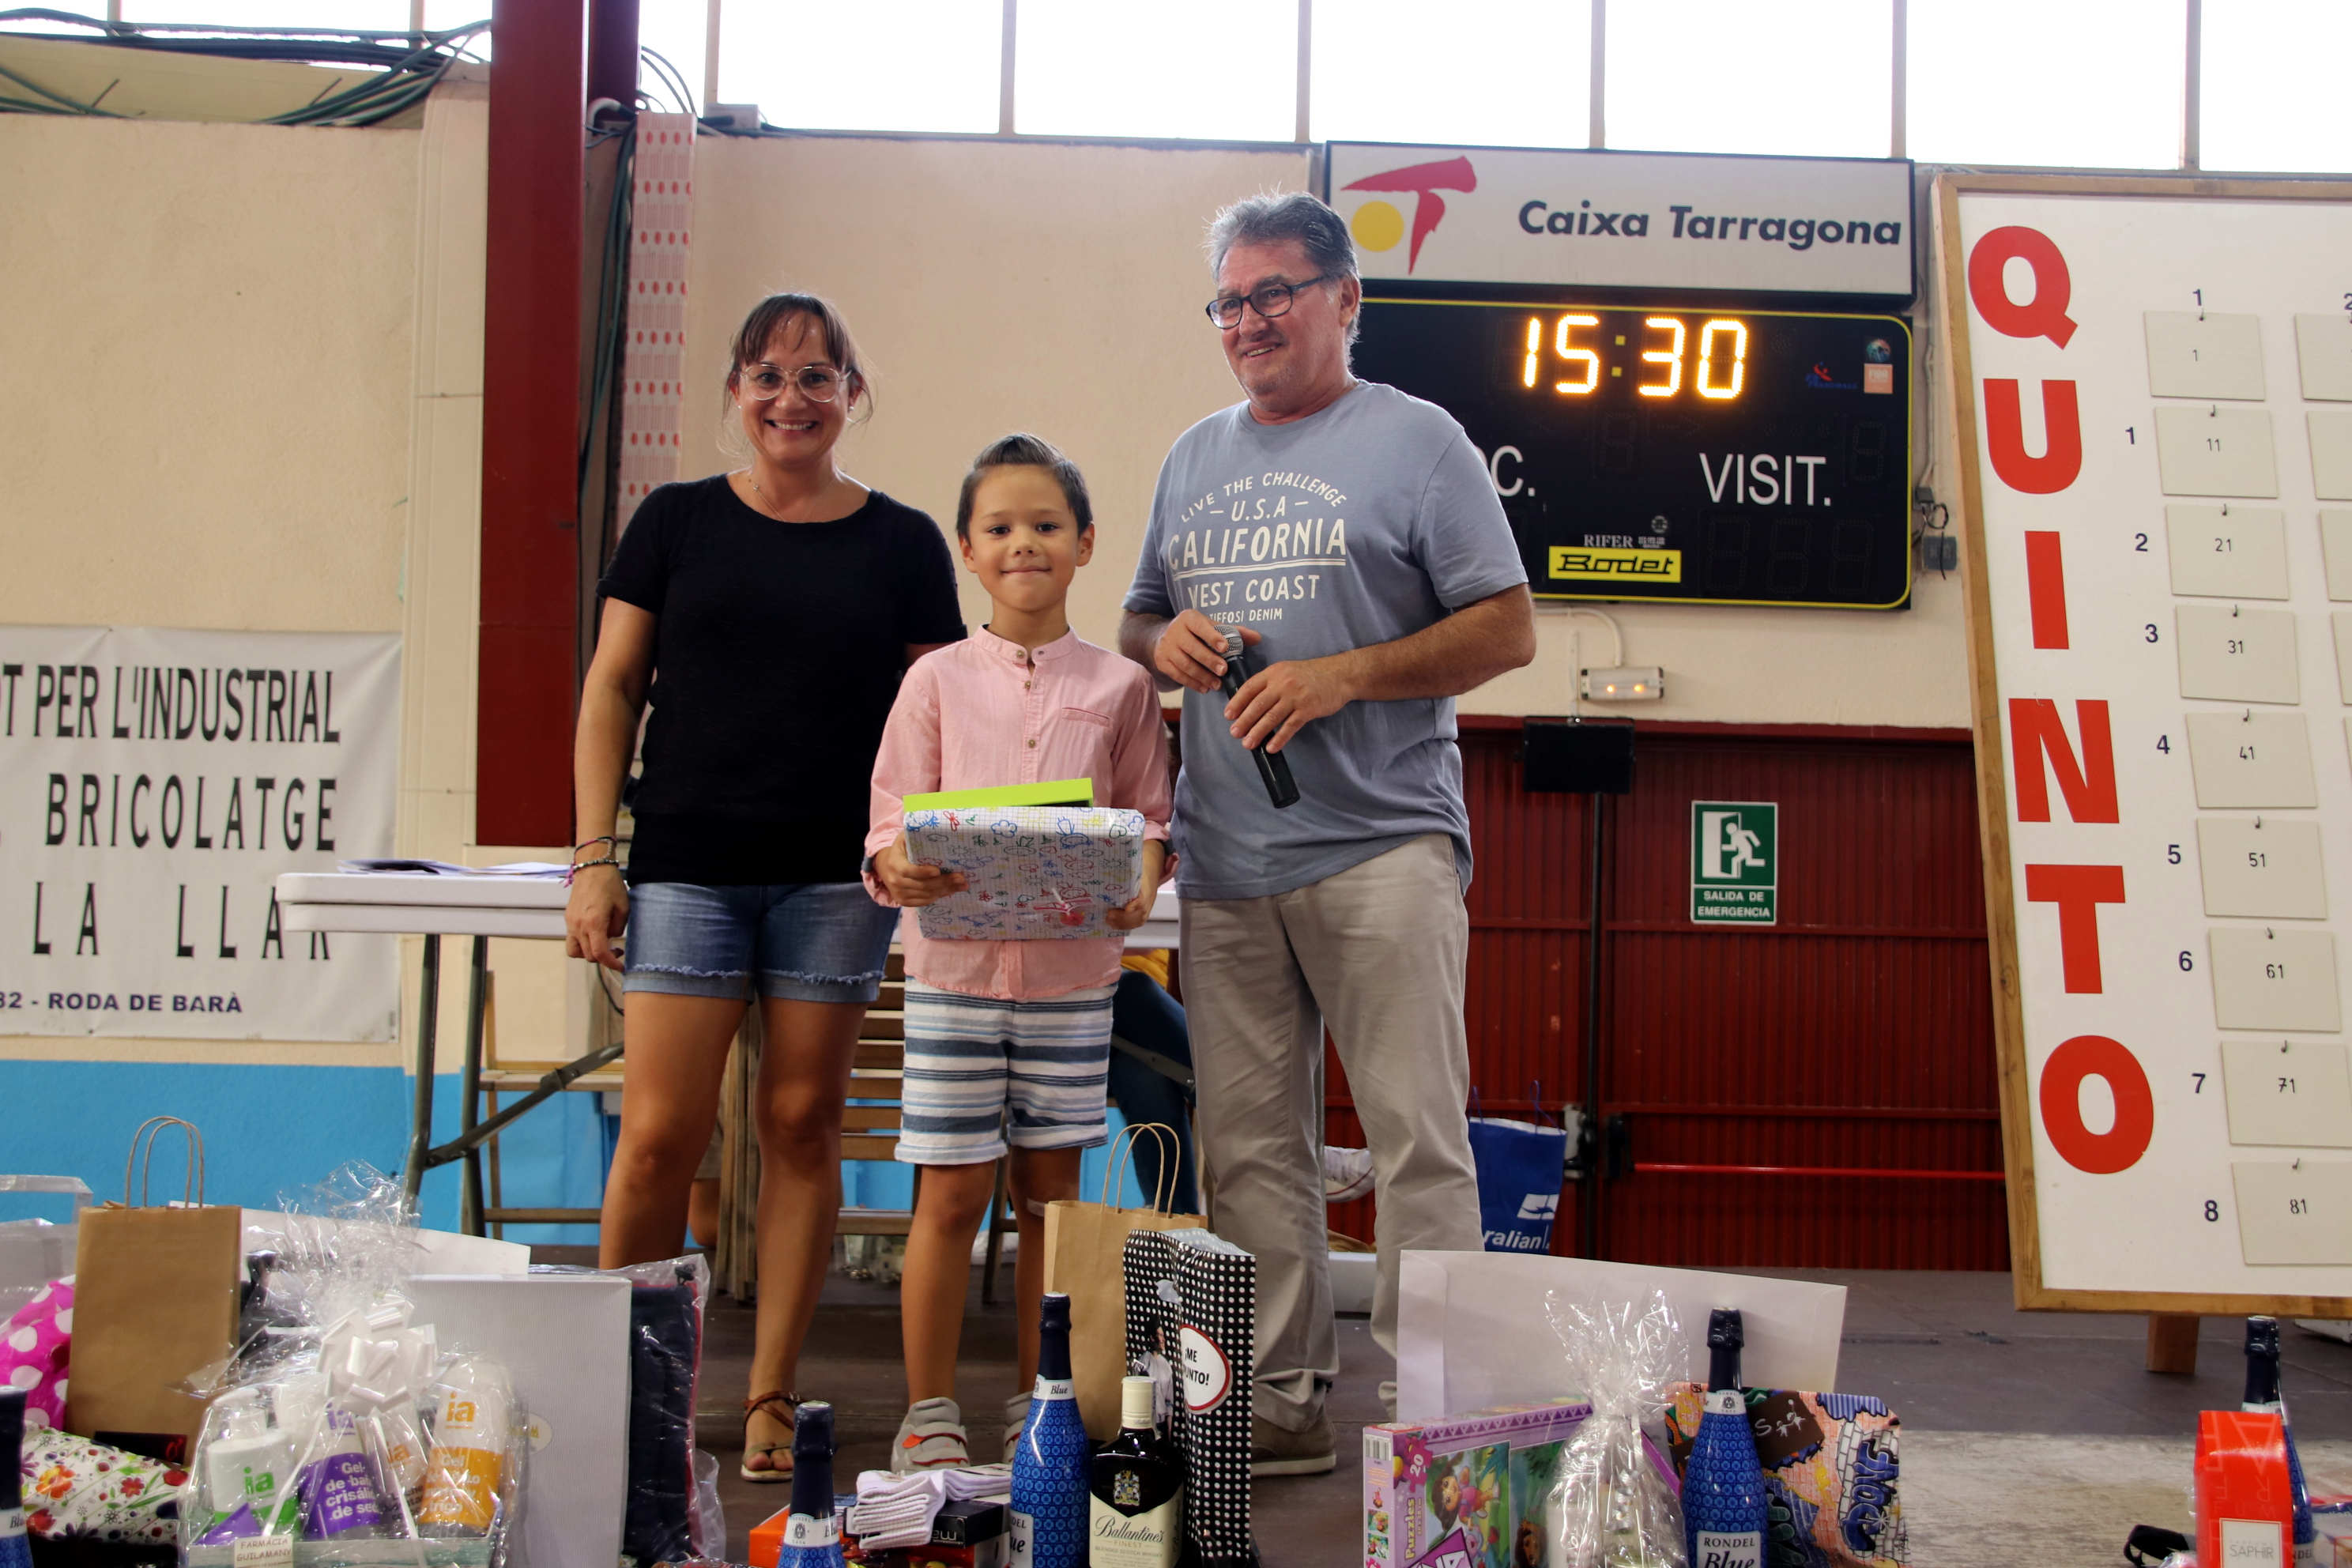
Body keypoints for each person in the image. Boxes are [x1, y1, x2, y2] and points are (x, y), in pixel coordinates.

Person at [1118, 191, 1537, 1477]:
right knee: (1251, 1152)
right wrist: (1165, 642)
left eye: (1274, 294)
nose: (1248, 321)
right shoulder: (1191, 457)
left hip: (1383, 849)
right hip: (1229, 863)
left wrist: (1342, 677)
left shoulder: (1420, 441)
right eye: (1229, 301)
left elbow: (1507, 627)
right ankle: (1282, 1403)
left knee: (1419, 1143)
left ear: (1345, 299)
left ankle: (1441, 1425)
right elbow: (1136, 619)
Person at [565, 292, 965, 1483]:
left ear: (853, 394)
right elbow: (611, 688)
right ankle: (620, 1387)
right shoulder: (675, 522)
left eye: (818, 375)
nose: (793, 397)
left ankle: (772, 1393)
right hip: (688, 863)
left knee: (799, 1124)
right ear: (737, 392)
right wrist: (594, 856)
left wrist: (937, 841)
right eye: (770, 376)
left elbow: (938, 714)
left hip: (837, 878)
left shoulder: (903, 543)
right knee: (658, 1139)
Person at [865, 433, 1174, 1470]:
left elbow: (1149, 817)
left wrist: (1143, 876)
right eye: (999, 527)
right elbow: (890, 820)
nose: (1024, 543)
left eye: (1046, 524)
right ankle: (928, 1412)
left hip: (1071, 984)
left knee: (1049, 1200)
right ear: (968, 549)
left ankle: (1043, 1403)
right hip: (951, 980)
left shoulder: (1122, 686)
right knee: (950, 1197)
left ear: (1085, 543)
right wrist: (896, 863)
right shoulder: (935, 682)